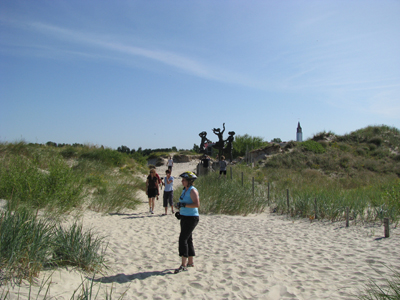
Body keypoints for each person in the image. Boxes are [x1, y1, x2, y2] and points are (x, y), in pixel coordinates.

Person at [174, 171, 200, 274]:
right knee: (188, 239)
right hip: (184, 217)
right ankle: (190, 262)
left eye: (184, 180)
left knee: (183, 239)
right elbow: (184, 203)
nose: (182, 181)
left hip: (192, 218)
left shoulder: (193, 191)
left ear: (189, 181)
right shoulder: (185, 190)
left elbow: (196, 204)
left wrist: (184, 205)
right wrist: (179, 207)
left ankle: (183, 265)